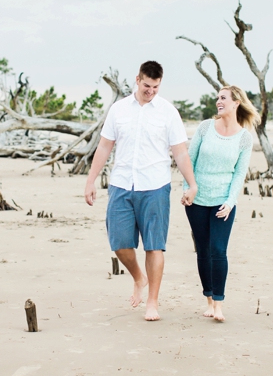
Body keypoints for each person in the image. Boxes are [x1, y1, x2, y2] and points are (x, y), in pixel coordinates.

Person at [84, 61, 198, 321]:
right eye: (147, 86)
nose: (151, 91)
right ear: (137, 80)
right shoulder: (119, 109)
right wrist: (91, 181)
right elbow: (104, 147)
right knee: (120, 244)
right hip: (122, 184)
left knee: (154, 246)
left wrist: (192, 184)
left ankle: (152, 303)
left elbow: (180, 152)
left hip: (155, 186)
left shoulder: (168, 112)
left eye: (156, 87)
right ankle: (138, 277)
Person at [182, 85, 259, 322]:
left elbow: (239, 174)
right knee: (203, 250)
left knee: (218, 250)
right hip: (197, 201)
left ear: (236, 103)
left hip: (223, 203)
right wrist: (187, 190)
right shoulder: (206, 127)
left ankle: (218, 304)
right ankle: (208, 298)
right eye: (217, 98)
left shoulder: (245, 138)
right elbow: (189, 160)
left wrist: (230, 201)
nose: (219, 101)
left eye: (223, 98)